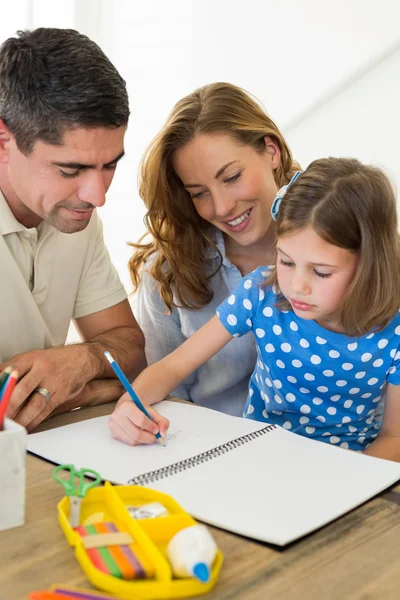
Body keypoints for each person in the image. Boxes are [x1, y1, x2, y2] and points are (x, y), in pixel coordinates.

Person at [109, 157, 400, 462]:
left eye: (321, 272)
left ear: (369, 265)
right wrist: (130, 404)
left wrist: (346, 486)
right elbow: (172, 368)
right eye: (286, 261)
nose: (297, 285)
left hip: (353, 469)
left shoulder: (393, 331)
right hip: (255, 459)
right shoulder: (260, 293)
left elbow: (394, 437)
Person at [0, 28, 146, 431]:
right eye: (71, 170)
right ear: (3, 140)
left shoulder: (75, 216)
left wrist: (79, 361)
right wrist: (98, 386)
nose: (97, 196)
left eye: (110, 164)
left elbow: (130, 346)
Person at [129, 82, 300, 416]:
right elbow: (166, 395)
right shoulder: (167, 273)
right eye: (198, 193)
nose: (221, 207)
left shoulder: (344, 237)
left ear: (271, 151)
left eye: (232, 176)